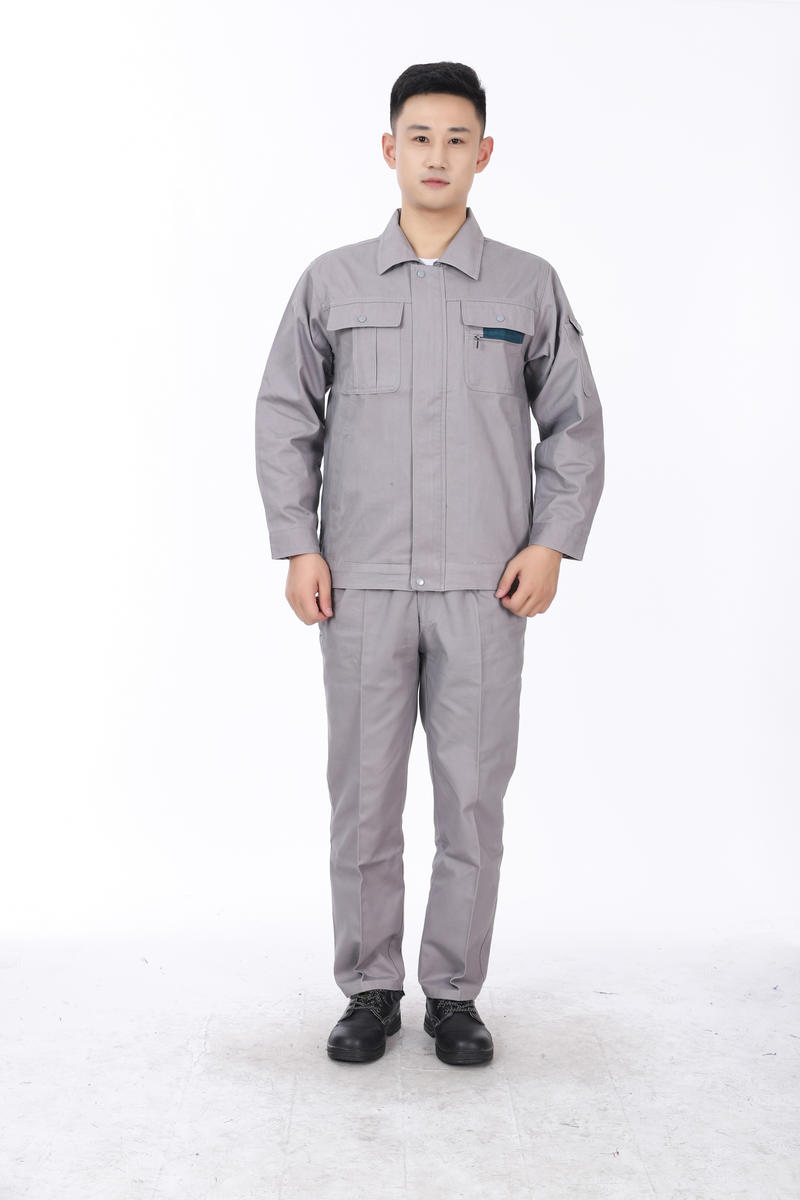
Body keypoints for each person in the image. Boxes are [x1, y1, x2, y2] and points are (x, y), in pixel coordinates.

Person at [254, 62, 605, 1067]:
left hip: (485, 589)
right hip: (358, 585)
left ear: (483, 153)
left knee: (471, 804)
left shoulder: (526, 284)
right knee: (363, 801)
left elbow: (573, 424)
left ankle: (454, 995)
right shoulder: (332, 283)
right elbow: (284, 416)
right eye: (420, 137)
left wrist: (550, 541)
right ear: (389, 149)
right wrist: (297, 543)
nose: (437, 156)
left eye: (457, 139)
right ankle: (369, 990)